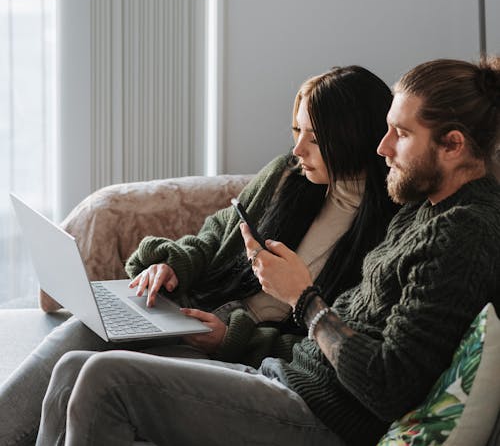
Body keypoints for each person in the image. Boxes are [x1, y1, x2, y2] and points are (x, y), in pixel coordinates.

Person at [35, 56, 500, 446]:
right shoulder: (422, 209)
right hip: (290, 376)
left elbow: (387, 385)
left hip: (323, 415)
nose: (383, 148)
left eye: (400, 134)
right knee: (77, 362)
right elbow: (219, 234)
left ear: (454, 145)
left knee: (104, 380)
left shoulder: (462, 233)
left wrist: (304, 298)